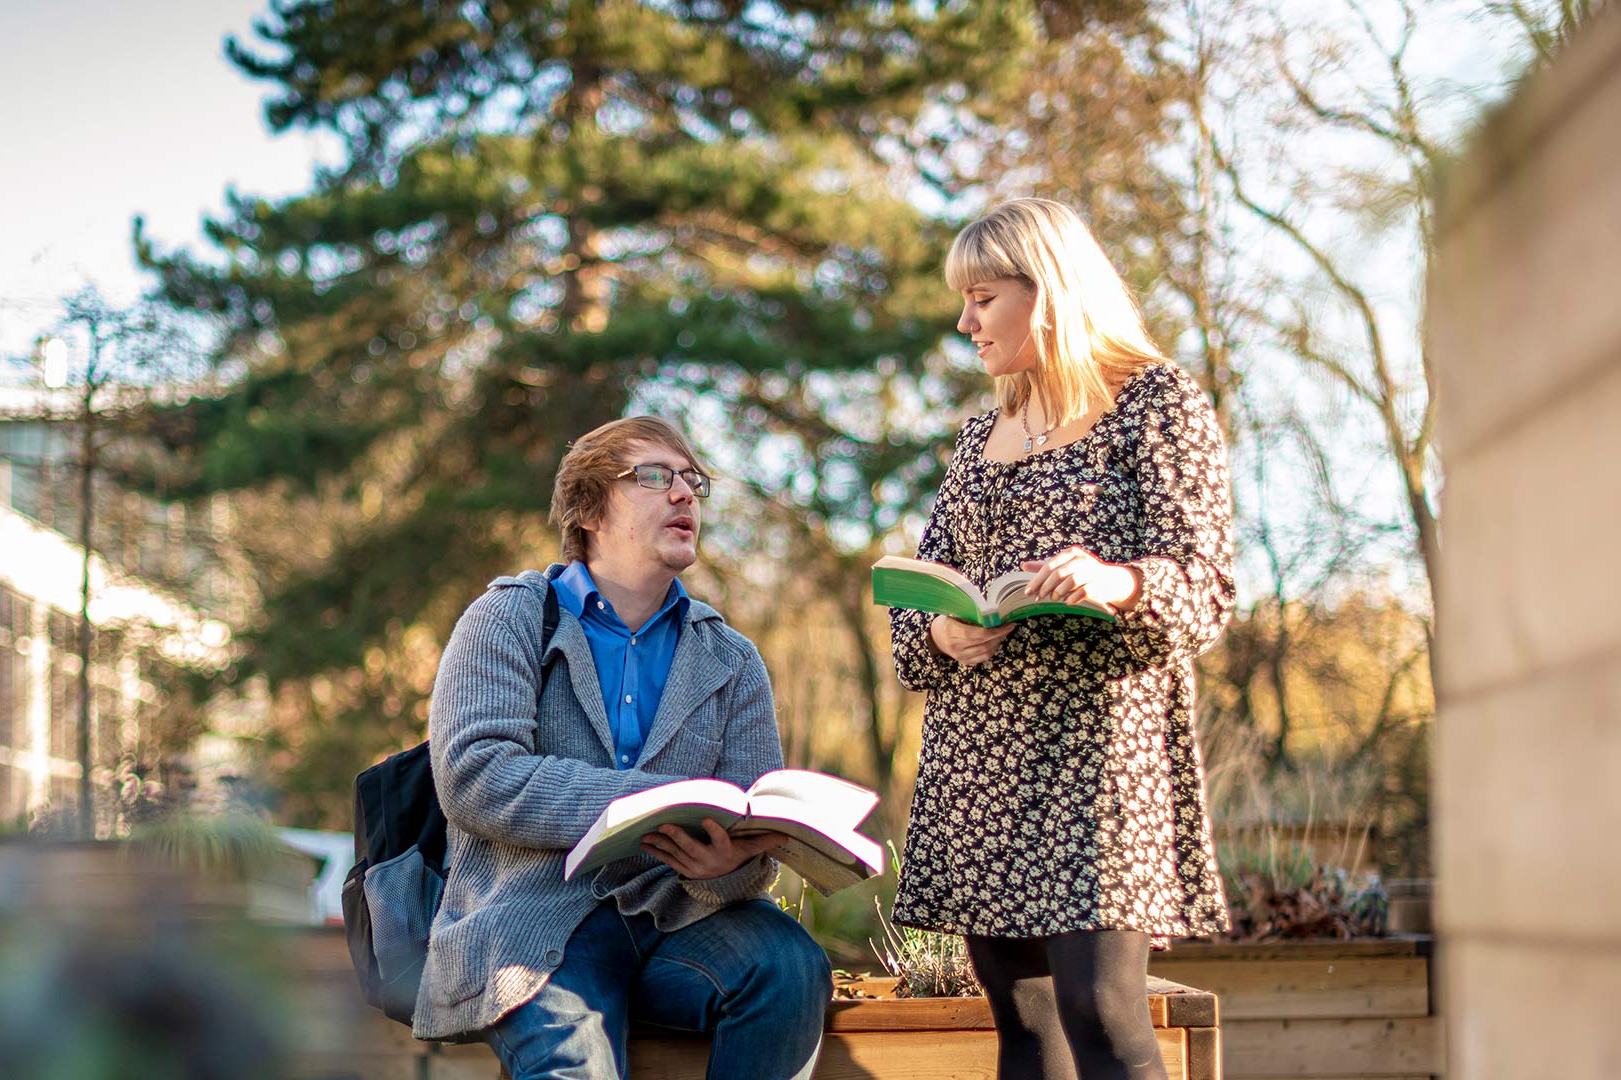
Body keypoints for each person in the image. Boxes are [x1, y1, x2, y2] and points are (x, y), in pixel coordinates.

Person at [887, 198, 1234, 1080]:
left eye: (983, 297)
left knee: (1104, 1015)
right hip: (980, 766)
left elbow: (1208, 585)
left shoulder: (1156, 403)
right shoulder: (975, 440)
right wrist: (941, 627)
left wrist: (1119, 580)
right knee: (1025, 1031)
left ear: (1051, 292)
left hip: (1098, 758)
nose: (964, 321)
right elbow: (915, 601)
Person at [415, 416, 831, 1080]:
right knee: (576, 1068)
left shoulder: (732, 658)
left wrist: (723, 863)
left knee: (788, 964)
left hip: (681, 923)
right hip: (534, 923)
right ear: (587, 510)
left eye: (694, 481)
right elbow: (476, 776)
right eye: (655, 477)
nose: (685, 494)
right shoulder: (510, 617)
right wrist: (649, 800)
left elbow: (752, 848)